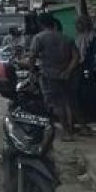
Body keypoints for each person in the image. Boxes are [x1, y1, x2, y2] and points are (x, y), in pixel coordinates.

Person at [29, 11, 79, 141]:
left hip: (49, 75)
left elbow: (32, 56)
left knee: (56, 104)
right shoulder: (66, 38)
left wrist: (31, 71)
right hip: (67, 75)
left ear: (41, 24)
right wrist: (68, 70)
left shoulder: (39, 38)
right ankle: (71, 129)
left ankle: (67, 133)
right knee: (68, 102)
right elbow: (76, 57)